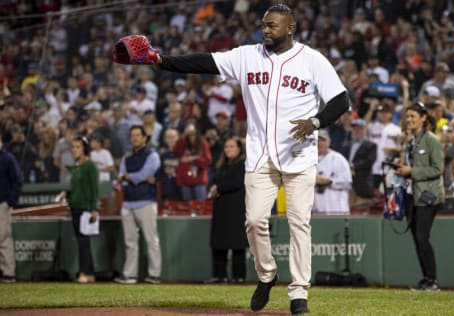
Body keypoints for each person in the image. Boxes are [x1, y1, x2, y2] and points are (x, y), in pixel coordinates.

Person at [115, 4, 350, 314]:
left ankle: (298, 294)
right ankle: (267, 275)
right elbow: (204, 63)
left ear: (290, 29)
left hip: (300, 155)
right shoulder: (247, 56)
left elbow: (341, 100)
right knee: (253, 221)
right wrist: (162, 60)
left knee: (299, 225)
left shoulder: (312, 60)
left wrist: (316, 122)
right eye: (264, 24)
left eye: (273, 25)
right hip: (259, 155)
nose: (266, 29)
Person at [395, 102, 444, 291]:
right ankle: (426, 279)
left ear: (423, 118)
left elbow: (438, 169)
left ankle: (432, 280)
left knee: (422, 237)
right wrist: (401, 168)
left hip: (427, 195)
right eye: (407, 117)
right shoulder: (411, 140)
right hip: (411, 194)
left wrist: (411, 171)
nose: (409, 120)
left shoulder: (432, 139)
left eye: (413, 116)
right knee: (417, 237)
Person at [114, 125, 162, 284]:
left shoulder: (152, 155)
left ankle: (154, 274)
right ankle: (130, 275)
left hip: (146, 201)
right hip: (128, 203)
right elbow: (119, 178)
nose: (134, 138)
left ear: (144, 138)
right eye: (132, 135)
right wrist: (123, 179)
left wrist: (127, 177)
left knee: (151, 240)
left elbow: (144, 174)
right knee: (130, 242)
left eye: (137, 135)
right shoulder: (127, 157)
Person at [206, 137, 248, 284]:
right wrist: (213, 188)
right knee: (219, 243)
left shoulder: (243, 165)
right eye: (226, 147)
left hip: (236, 209)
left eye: (231, 146)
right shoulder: (221, 166)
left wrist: (218, 188)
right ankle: (219, 275)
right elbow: (212, 181)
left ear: (239, 149)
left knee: (237, 244)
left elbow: (237, 183)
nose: (228, 149)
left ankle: (239, 276)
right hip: (220, 208)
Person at [58, 136, 99, 283]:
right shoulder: (75, 167)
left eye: (78, 147)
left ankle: (83, 273)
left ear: (85, 149)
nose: (74, 150)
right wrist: (66, 193)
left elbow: (95, 189)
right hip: (75, 208)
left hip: (85, 209)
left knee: (83, 242)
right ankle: (91, 274)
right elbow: (74, 187)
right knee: (83, 242)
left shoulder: (90, 166)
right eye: (73, 147)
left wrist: (94, 208)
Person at [0, 129, 22, 283]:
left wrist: (10, 202)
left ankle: (8, 273)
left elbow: (17, 181)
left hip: (2, 204)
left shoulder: (7, 158)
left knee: (3, 239)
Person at [312, 130, 352, 215]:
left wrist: (329, 181)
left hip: (336, 208)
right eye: (317, 140)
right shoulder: (309, 160)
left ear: (329, 142)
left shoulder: (338, 159)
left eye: (323, 140)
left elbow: (347, 183)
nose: (320, 143)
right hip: (316, 208)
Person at [173, 121, 212, 201]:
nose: (192, 137)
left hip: (199, 179)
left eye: (193, 134)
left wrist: (193, 159)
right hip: (184, 179)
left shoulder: (203, 143)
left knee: (201, 207)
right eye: (189, 134)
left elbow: (208, 160)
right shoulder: (182, 142)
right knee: (187, 208)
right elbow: (176, 153)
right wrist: (183, 137)